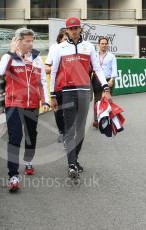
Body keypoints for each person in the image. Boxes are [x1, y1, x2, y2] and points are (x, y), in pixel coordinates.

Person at [50, 17, 111, 179]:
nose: (74, 31)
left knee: (80, 131)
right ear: (66, 31)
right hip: (68, 92)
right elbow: (54, 71)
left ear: (80, 29)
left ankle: (74, 159)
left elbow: (97, 69)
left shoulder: (89, 46)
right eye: (71, 29)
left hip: (84, 92)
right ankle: (71, 164)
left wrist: (105, 87)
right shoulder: (59, 48)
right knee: (69, 130)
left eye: (76, 28)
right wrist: (52, 94)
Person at [0, 28, 50, 192]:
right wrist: (11, 52)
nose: (30, 43)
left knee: (31, 135)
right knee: (15, 137)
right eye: (27, 41)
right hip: (13, 103)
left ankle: (28, 161)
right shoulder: (9, 57)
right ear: (18, 41)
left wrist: (45, 100)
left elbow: (42, 81)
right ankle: (13, 175)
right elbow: (0, 72)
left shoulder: (36, 59)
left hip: (33, 104)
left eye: (32, 40)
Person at [45, 28, 68, 143]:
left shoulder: (74, 48)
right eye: (65, 39)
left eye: (68, 39)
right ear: (59, 39)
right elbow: (46, 68)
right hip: (57, 86)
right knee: (58, 111)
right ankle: (62, 132)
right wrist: (57, 69)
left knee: (70, 110)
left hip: (71, 86)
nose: (67, 41)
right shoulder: (54, 49)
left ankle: (68, 133)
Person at [92, 37, 118, 128]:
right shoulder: (94, 55)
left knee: (107, 100)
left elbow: (114, 70)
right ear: (98, 45)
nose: (104, 45)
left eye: (105, 43)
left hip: (108, 81)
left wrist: (112, 80)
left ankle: (106, 120)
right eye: (102, 43)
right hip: (96, 80)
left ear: (108, 45)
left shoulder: (112, 56)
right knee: (97, 100)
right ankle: (96, 120)